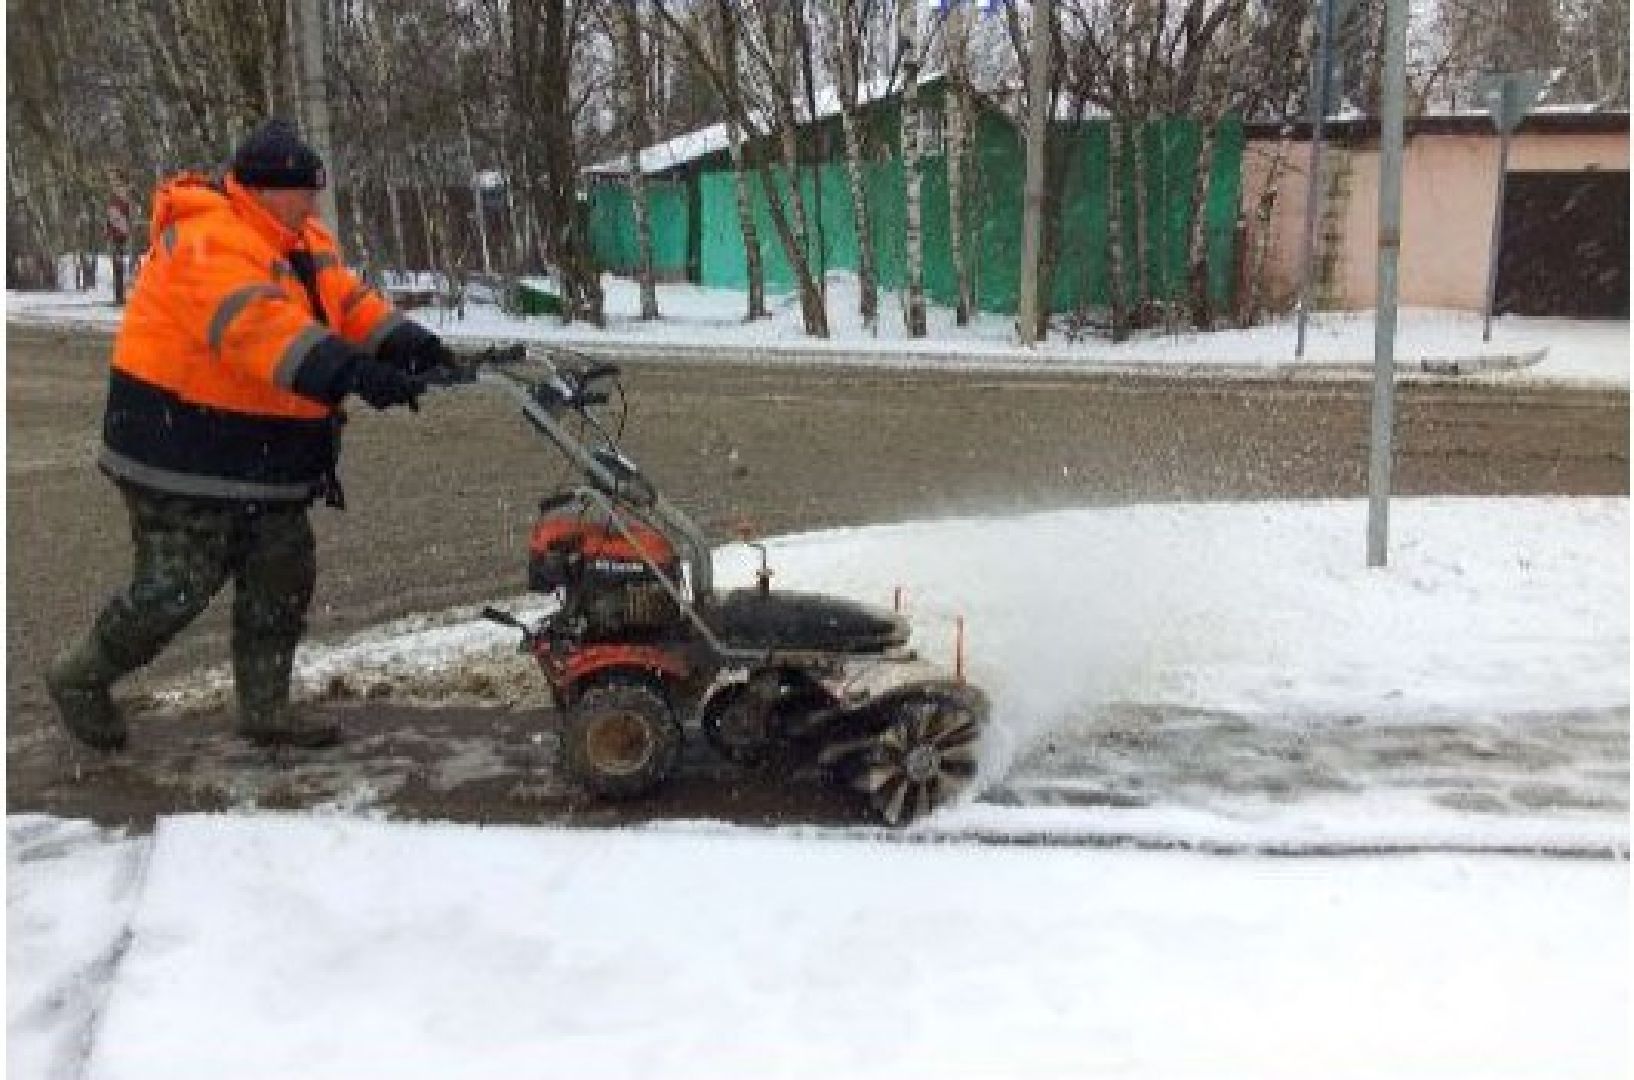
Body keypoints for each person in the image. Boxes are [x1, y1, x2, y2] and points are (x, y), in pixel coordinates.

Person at [46, 118, 453, 752]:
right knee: (176, 590)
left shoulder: (298, 239)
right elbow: (262, 332)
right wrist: (359, 376)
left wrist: (413, 346)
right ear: (263, 190)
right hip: (179, 450)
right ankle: (80, 676)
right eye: (304, 191)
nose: (314, 203)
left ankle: (266, 710)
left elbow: (343, 305)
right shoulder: (206, 241)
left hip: (264, 459)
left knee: (281, 573)